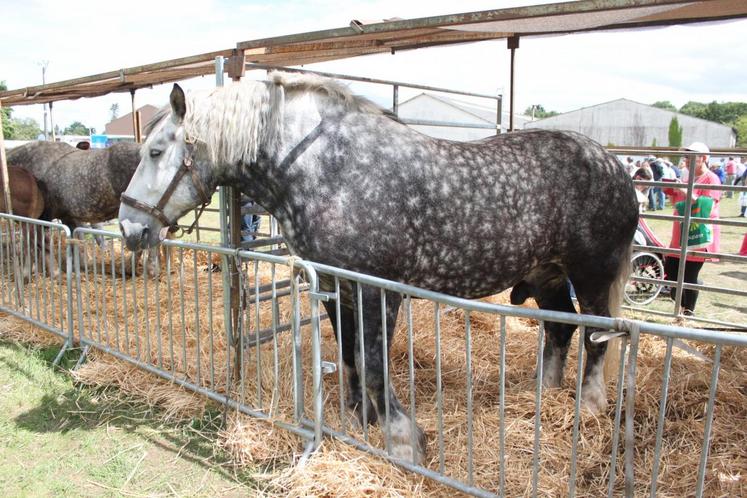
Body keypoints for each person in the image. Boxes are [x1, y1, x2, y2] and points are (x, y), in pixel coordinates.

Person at [662, 141, 721, 316]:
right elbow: (680, 204)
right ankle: (680, 306)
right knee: (671, 270)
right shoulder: (687, 178)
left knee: (688, 276)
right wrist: (673, 191)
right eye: (686, 157)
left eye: (691, 157)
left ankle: (688, 311)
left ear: (703, 158)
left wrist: (684, 190)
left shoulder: (712, 179)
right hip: (680, 233)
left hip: (697, 234)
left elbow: (706, 208)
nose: (686, 160)